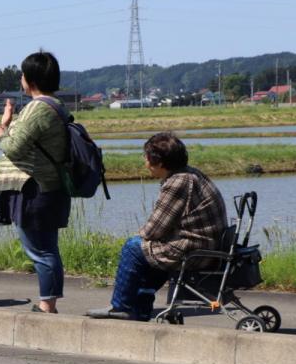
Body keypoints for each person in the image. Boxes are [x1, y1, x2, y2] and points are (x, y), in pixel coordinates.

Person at [87, 133, 226, 321]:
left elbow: (154, 230)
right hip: (207, 246)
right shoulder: (190, 173)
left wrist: (138, 237)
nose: (144, 162)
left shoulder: (178, 183)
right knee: (148, 249)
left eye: (146, 157)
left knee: (133, 247)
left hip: (196, 251)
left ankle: (121, 306)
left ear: (158, 162)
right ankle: (140, 309)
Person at [0, 52, 72, 314]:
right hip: (44, 187)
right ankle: (48, 302)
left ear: (31, 79)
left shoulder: (38, 108)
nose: (21, 79)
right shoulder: (53, 105)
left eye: (22, 74)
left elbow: (14, 147)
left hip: (35, 188)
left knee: (40, 249)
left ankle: (47, 305)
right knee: (44, 247)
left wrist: (2, 133)